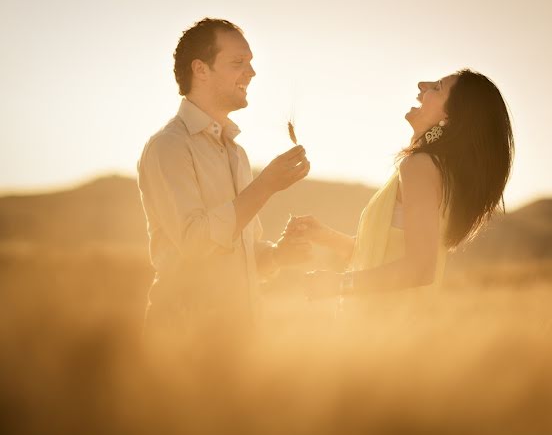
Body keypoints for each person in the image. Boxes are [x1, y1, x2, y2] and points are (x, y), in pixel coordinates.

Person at [137, 18, 311, 333]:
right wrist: (265, 186)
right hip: (186, 339)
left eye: (250, 63)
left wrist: (278, 255)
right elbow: (195, 244)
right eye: (237, 62)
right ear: (200, 69)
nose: (252, 72)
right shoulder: (169, 146)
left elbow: (241, 254)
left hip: (241, 339)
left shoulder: (236, 153)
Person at [290, 69, 513, 299]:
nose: (421, 84)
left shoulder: (420, 166)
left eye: (437, 87)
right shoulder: (437, 170)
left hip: (388, 326)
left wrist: (338, 284)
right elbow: (381, 254)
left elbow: (420, 269)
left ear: (449, 118)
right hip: (400, 324)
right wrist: (323, 236)